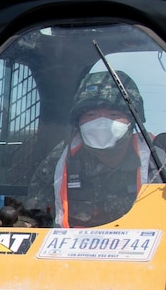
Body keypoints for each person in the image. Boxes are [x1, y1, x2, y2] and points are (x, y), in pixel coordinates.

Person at [51, 69, 155, 227]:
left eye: (113, 114)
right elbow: (34, 215)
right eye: (91, 115)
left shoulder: (159, 158)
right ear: (78, 122)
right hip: (71, 249)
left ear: (133, 121)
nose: (101, 123)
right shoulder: (62, 158)